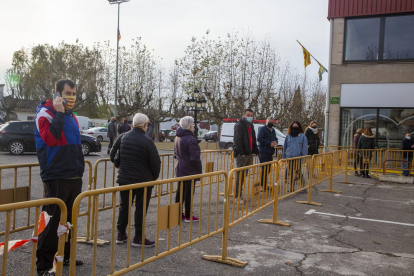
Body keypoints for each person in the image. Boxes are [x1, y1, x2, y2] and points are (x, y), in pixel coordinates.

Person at [34, 79, 84, 276]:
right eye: (68, 93)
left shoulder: (72, 117)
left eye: (74, 93)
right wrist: (60, 113)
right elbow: (50, 138)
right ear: (57, 94)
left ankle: (65, 256)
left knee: (69, 221)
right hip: (56, 175)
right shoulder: (45, 113)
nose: (71, 97)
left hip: (73, 175)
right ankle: (44, 266)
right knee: (53, 221)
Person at [110, 113, 161, 247]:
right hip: (143, 179)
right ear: (145, 125)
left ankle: (121, 233)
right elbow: (155, 162)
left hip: (125, 177)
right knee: (140, 208)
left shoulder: (123, 137)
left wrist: (119, 165)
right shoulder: (147, 140)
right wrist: (154, 177)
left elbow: (112, 153)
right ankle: (138, 236)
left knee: (124, 206)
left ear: (133, 124)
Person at [174, 116, 202, 222]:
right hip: (189, 168)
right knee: (189, 192)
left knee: (180, 191)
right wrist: (198, 169)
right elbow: (194, 157)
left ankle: (178, 212)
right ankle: (188, 215)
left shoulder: (177, 137)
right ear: (190, 126)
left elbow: (175, 153)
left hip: (180, 166)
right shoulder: (190, 139)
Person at [233, 108, 259, 202]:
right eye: (248, 115)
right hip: (242, 155)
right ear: (243, 115)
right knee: (240, 176)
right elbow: (237, 140)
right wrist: (242, 153)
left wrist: (255, 151)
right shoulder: (239, 125)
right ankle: (237, 196)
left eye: (251, 116)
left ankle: (239, 194)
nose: (250, 117)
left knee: (244, 175)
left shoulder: (250, 126)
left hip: (249, 154)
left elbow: (253, 139)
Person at [282, 121, 308, 192]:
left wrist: (304, 158)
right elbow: (285, 146)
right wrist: (284, 157)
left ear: (299, 127)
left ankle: (303, 187)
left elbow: (304, 148)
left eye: (296, 126)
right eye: (293, 126)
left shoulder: (302, 136)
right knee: (291, 173)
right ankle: (291, 187)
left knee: (298, 172)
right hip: (289, 157)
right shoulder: (288, 136)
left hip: (298, 157)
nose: (295, 127)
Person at [257, 117, 278, 188]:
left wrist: (275, 142)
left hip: (270, 152)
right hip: (263, 151)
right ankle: (263, 184)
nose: (270, 123)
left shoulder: (273, 130)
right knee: (264, 169)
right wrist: (269, 143)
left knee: (268, 169)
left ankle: (264, 183)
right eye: (269, 122)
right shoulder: (262, 129)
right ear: (266, 121)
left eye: (272, 122)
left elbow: (275, 138)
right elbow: (259, 138)